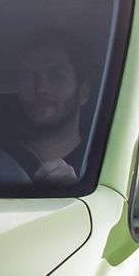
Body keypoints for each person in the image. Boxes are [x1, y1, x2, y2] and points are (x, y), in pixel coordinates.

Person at [8, 28, 93, 184]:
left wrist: (72, 191)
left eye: (56, 76)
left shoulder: (100, 168)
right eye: (28, 78)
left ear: (84, 93)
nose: (41, 89)